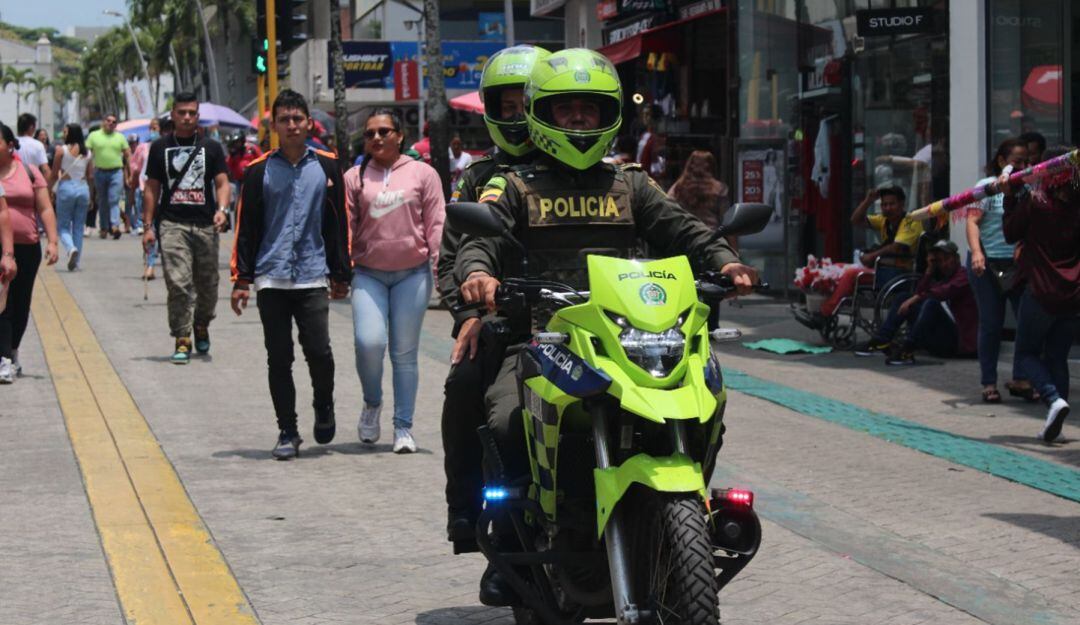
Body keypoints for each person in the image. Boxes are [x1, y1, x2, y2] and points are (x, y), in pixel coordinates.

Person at [454, 48, 756, 606]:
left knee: (707, 390)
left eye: (588, 111)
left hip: (629, 337)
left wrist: (725, 262)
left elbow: (684, 229)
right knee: (504, 422)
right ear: (542, 116)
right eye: (565, 110)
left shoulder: (630, 185)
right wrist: (477, 275)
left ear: (608, 115)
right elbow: (481, 239)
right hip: (544, 340)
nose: (577, 121)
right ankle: (514, 536)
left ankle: (691, 507)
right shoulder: (513, 186)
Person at [439, 44, 550, 547]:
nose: (520, 114)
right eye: (510, 105)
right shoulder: (478, 178)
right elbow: (451, 259)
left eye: (531, 102)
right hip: (500, 323)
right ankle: (470, 513)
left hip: (584, 322)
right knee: (466, 386)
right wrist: (468, 315)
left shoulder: (602, 174)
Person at [231, 90, 352, 460]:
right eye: (284, 119)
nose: (292, 125)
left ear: (308, 123)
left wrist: (341, 272)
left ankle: (324, 404)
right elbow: (246, 227)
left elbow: (338, 223)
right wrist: (241, 279)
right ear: (274, 126)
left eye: (297, 118)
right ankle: (288, 430)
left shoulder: (329, 166)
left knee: (320, 352)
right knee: (278, 357)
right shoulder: (258, 172)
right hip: (272, 277)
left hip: (313, 276)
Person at [345, 108, 445, 453]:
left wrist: (440, 270)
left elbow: (436, 225)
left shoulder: (423, 174)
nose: (376, 138)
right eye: (370, 133)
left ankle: (403, 427)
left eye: (384, 131)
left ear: (400, 136)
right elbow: (346, 226)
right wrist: (342, 270)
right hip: (368, 274)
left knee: (405, 354)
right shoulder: (354, 177)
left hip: (412, 275)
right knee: (369, 343)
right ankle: (372, 403)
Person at [142, 92, 231, 364]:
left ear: (198, 116)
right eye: (182, 112)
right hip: (172, 224)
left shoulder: (212, 148)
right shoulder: (159, 148)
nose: (187, 117)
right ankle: (182, 337)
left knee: (208, 286)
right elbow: (152, 187)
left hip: (205, 225)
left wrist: (222, 210)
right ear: (173, 115)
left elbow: (222, 183)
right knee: (179, 283)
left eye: (192, 113)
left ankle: (201, 323)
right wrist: (147, 226)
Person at [1002, 145, 1080, 442]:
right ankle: (1056, 423)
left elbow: (1010, 232)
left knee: (1025, 355)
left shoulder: (1037, 202)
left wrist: (1010, 197)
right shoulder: (1077, 204)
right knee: (1057, 357)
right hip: (1072, 295)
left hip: (1041, 292)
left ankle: (1052, 399)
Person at [796, 185, 923, 331]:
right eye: (884, 204)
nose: (887, 208)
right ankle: (818, 308)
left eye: (891, 204)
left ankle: (824, 314)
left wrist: (871, 256)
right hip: (882, 268)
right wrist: (868, 200)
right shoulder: (884, 220)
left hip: (898, 271)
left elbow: (897, 247)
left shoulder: (911, 221)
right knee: (837, 268)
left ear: (901, 204)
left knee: (850, 275)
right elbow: (855, 220)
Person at [965, 138, 1034, 403]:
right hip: (987, 266)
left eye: (1026, 161)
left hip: (1018, 267)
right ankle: (989, 383)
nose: (1023, 166)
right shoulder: (986, 187)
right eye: (1017, 161)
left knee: (1026, 323)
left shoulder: (1028, 188)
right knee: (991, 325)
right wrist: (977, 253)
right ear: (1002, 162)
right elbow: (972, 221)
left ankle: (1020, 378)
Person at [0, 122, 59, 383]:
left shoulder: (29, 171)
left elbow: (45, 208)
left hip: (27, 247)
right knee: (3, 302)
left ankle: (12, 350)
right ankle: (3, 357)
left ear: (10, 144)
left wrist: (53, 242)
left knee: (21, 304)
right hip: (2, 249)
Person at [857, 240, 976, 365]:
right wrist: (929, 270)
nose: (944, 264)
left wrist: (915, 299)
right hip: (940, 341)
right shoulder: (944, 278)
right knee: (903, 297)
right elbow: (918, 293)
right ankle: (882, 340)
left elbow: (942, 292)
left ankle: (908, 349)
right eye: (940, 261)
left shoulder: (964, 276)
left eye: (947, 259)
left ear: (956, 258)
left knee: (931, 304)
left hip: (959, 344)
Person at [48, 124, 93, 271]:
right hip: (83, 187)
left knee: (63, 226)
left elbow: (54, 174)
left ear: (70, 134)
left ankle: (71, 248)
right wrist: (91, 195)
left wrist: (48, 190)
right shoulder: (88, 153)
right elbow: (90, 176)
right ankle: (77, 262)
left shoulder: (61, 150)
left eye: (65, 132)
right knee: (79, 227)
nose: (63, 134)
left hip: (66, 188)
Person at [87, 113, 132, 239]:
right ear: (103, 122)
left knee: (113, 200)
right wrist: (88, 171)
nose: (111, 123)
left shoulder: (120, 137)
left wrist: (130, 172)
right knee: (102, 201)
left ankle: (115, 226)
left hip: (116, 172)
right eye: (108, 121)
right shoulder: (94, 136)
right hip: (99, 171)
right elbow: (87, 155)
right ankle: (103, 227)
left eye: (114, 122)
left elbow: (128, 154)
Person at [16, 113, 51, 180]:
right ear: (31, 127)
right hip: (32, 182)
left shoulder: (10, 143)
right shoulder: (38, 145)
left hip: (14, 183)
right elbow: (45, 170)